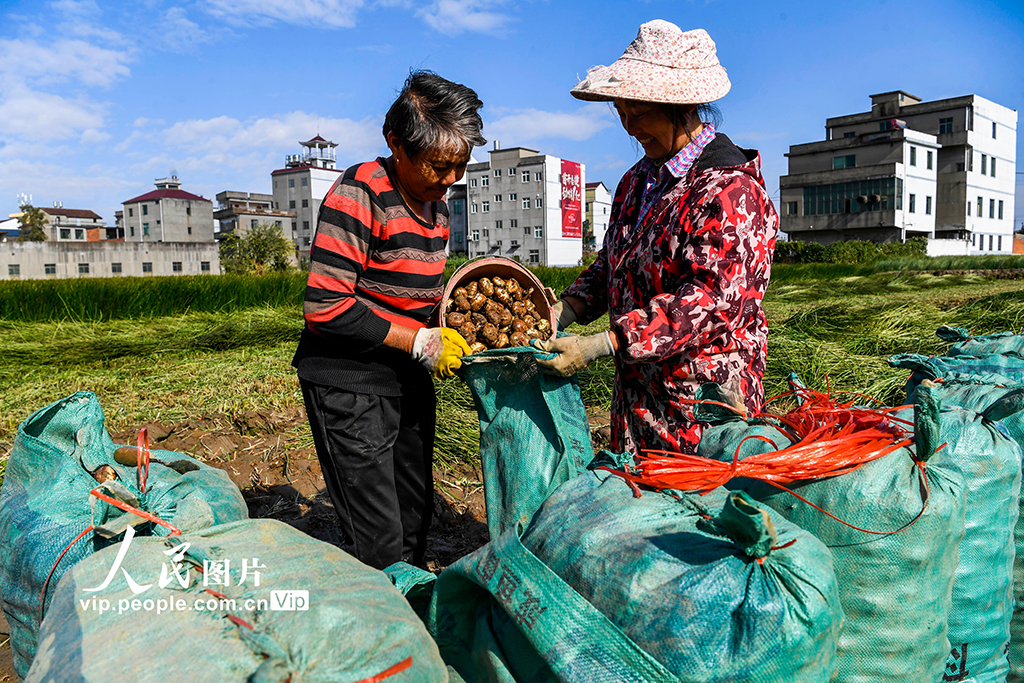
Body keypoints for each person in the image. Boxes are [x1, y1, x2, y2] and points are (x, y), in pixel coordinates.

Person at [535, 21, 779, 456]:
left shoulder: (731, 191)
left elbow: (711, 301)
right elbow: (613, 264)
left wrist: (603, 343)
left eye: (639, 112)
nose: (629, 127)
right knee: (633, 506)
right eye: (621, 112)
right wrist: (562, 311)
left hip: (700, 404)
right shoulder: (637, 183)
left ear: (681, 107)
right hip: (637, 400)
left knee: (693, 514)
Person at [292, 71, 483, 569]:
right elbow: (326, 306)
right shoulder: (361, 192)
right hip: (350, 381)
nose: (448, 181)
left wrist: (458, 321)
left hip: (406, 376)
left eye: (458, 168)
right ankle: (382, 624)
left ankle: (414, 609)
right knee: (378, 535)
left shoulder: (437, 207)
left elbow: (416, 294)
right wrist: (418, 341)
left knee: (415, 517)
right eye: (439, 167)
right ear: (396, 143)